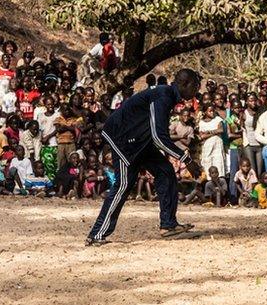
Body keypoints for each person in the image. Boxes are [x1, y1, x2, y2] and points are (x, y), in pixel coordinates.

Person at [86, 68, 203, 246]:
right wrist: (187, 160)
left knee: (165, 172)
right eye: (196, 85)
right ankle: (96, 234)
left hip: (139, 142)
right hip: (124, 140)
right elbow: (159, 137)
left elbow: (155, 135)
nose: (198, 89)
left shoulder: (167, 95)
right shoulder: (163, 96)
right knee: (123, 185)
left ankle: (168, 225)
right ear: (185, 83)